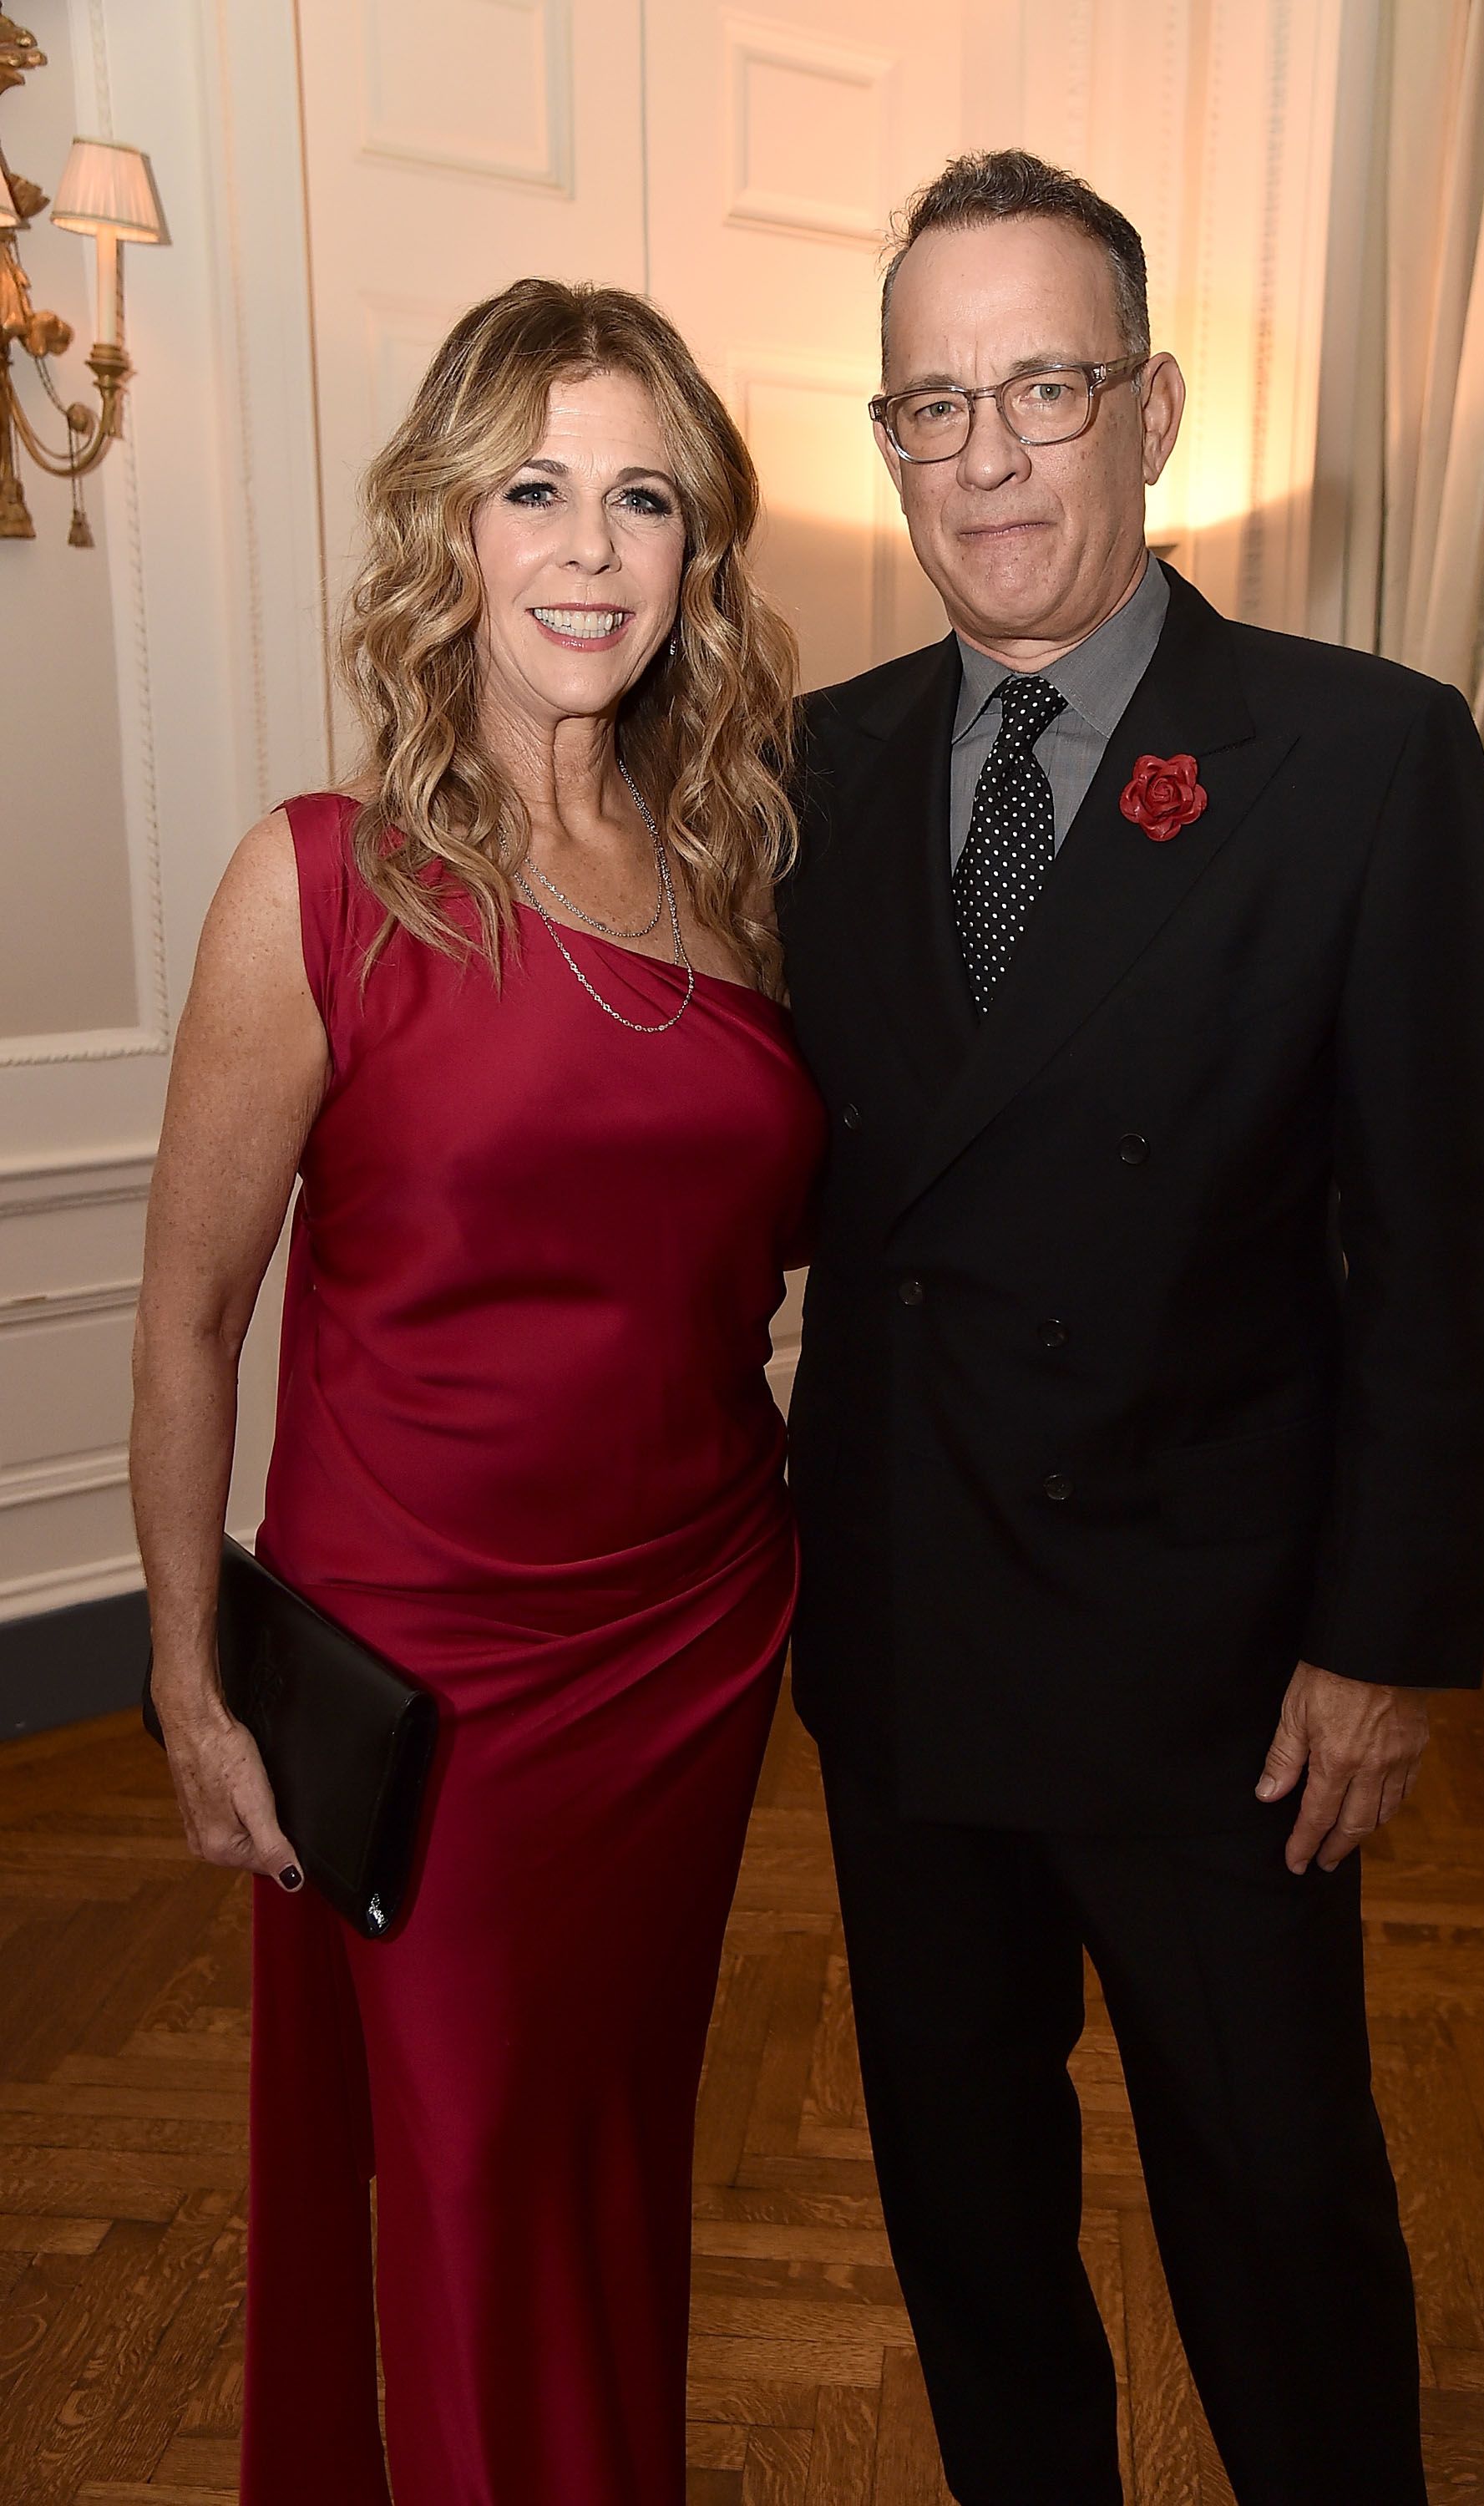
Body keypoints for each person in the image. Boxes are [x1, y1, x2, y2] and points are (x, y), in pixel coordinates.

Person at [778, 150, 1484, 2506]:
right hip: (903, 1646)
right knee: (965, 2221)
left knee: (1281, 2225)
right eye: (929, 404)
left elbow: (1427, 1239)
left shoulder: (1359, 756)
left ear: (1149, 405)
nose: (984, 456)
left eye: (1042, 387)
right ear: (884, 441)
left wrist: (1381, 1643)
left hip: (1214, 1681)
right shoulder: (813, 762)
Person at [129, 277, 823, 2506]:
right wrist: (182, 1674)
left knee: (605, 2150)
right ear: (449, 526)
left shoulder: (739, 883)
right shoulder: (318, 884)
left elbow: (737, 1255)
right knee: (463, 2173)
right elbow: (187, 1315)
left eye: (642, 497)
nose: (592, 549)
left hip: (697, 1642)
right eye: (536, 487)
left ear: (697, 553)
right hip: (425, 1682)